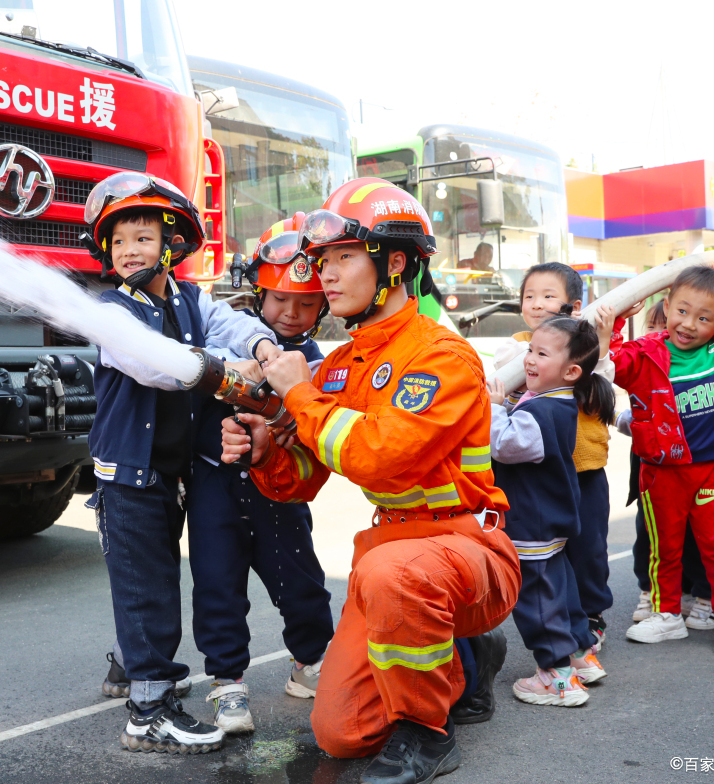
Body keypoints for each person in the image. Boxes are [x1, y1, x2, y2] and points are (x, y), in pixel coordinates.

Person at [221, 178, 520, 784]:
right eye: (323, 261)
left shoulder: (440, 356)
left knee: (393, 576)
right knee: (342, 735)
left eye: (344, 258)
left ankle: (428, 734)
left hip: (468, 548)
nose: (326, 276)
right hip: (393, 553)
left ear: (396, 263)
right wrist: (264, 451)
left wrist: (297, 395)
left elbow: (381, 457)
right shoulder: (338, 369)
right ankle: (465, 659)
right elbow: (303, 479)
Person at [80, 172, 279, 754]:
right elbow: (157, 365)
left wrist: (262, 346)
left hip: (167, 473)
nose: (128, 251)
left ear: (172, 245)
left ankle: (139, 673)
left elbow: (234, 325)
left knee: (157, 580)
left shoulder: (190, 300)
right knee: (148, 587)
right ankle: (147, 711)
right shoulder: (111, 311)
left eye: (142, 238)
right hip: (129, 475)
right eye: (118, 242)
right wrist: (230, 368)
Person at [186, 215, 335, 733]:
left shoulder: (319, 366)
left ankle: (311, 663)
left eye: (307, 302)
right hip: (215, 486)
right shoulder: (225, 338)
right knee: (217, 586)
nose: (291, 314)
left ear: (324, 305)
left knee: (302, 583)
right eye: (278, 299)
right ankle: (227, 683)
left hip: (281, 493)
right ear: (257, 292)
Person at [598, 254, 714, 656]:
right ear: (668, 304)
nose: (689, 324)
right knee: (665, 548)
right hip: (659, 472)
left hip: (710, 470)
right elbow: (607, 369)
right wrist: (616, 323)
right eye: (682, 310)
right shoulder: (645, 352)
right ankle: (667, 616)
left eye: (703, 318)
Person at [488, 316, 611, 706]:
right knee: (563, 591)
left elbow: (505, 444)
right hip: (550, 520)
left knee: (538, 601)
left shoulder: (544, 413)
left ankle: (556, 677)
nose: (528, 359)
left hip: (531, 523)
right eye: (529, 349)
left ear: (572, 371)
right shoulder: (556, 402)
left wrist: (491, 409)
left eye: (541, 353)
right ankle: (580, 656)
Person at [495, 262, 615, 648]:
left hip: (584, 469)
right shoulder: (515, 352)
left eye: (549, 296)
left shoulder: (582, 354)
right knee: (555, 559)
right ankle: (571, 629)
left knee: (588, 550)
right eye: (529, 295)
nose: (537, 303)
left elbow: (600, 383)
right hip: (542, 474)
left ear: (574, 307)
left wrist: (603, 339)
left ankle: (588, 619)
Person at [626, 299, 714, 626]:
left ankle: (710, 599)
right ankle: (656, 597)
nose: (663, 335)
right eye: (653, 328)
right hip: (658, 464)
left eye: (700, 318)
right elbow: (612, 369)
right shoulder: (645, 360)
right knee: (656, 535)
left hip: (707, 461)